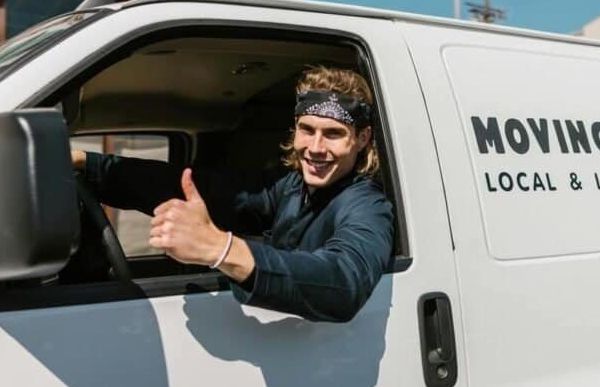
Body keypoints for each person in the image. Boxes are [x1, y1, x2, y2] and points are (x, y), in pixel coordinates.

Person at [72, 67, 394, 323]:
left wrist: (221, 248)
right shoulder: (290, 187)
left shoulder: (367, 204)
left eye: (334, 134)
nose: (315, 148)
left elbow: (344, 281)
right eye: (307, 130)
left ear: (363, 138)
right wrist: (91, 165)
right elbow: (205, 188)